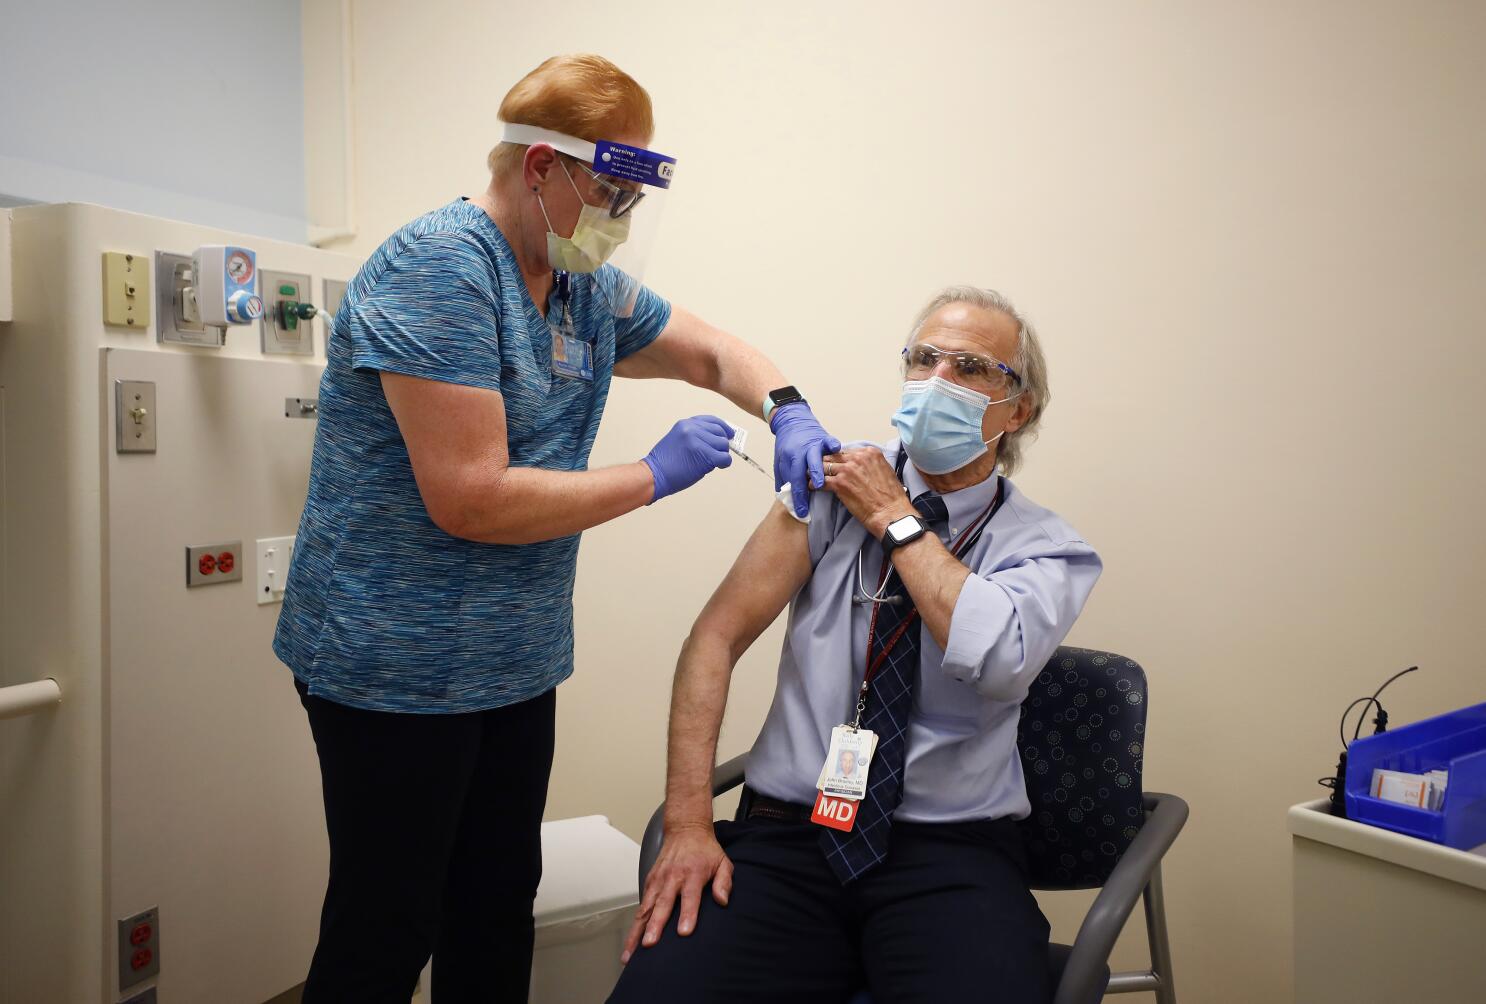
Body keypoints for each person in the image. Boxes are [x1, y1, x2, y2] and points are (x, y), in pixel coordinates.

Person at [273, 54, 839, 1003]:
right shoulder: (440, 269)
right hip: (392, 668)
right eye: (609, 193)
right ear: (542, 169)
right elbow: (472, 498)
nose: (619, 220)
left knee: (494, 909)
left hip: (513, 659)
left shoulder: (579, 283)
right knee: (388, 921)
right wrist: (651, 477)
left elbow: (707, 349)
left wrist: (788, 406)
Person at [610, 286, 1102, 1003]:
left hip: (950, 855)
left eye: (969, 368)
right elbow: (715, 637)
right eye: (924, 359)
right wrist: (688, 822)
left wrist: (896, 517)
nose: (938, 381)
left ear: (1017, 408)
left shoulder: (1048, 550)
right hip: (786, 840)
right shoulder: (828, 487)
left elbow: (997, 661)